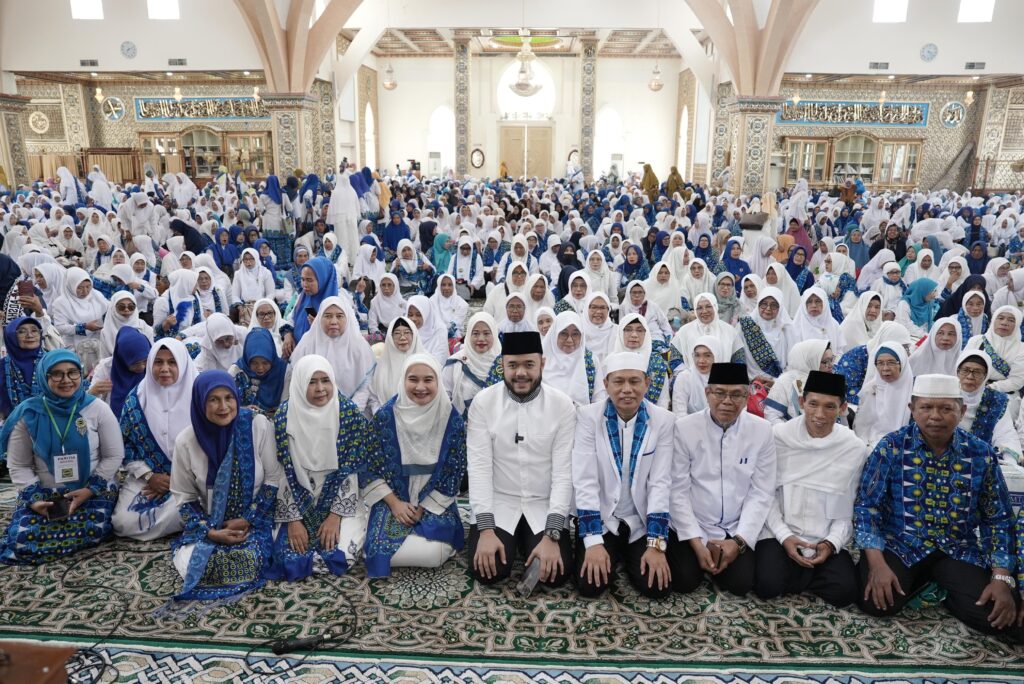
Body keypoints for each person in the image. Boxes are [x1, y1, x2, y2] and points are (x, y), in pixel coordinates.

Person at [854, 374, 1022, 643]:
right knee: (877, 604)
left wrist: (1002, 577)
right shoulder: (892, 447)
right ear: (912, 409)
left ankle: (947, 594)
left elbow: (998, 517)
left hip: (957, 549)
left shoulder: (979, 453)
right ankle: (925, 584)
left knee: (1007, 621)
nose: (935, 416)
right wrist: (876, 564)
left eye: (946, 408)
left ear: (962, 410)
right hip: (902, 544)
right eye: (926, 407)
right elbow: (867, 507)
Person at [467, 331, 576, 588]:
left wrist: (552, 537)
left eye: (529, 364)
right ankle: (514, 542)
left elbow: (563, 474)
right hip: (499, 501)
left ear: (542, 364)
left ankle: (529, 543)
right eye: (513, 365)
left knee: (556, 574)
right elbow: (479, 469)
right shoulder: (484, 403)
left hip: (543, 503)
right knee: (488, 572)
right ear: (502, 365)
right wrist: (485, 530)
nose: (521, 373)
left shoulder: (562, 406)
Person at [166, 371, 282, 611]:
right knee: (195, 565)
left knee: (251, 559)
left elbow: (272, 479)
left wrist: (248, 519)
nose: (223, 406)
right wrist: (210, 532)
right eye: (213, 399)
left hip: (256, 520)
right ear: (200, 402)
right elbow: (184, 498)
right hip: (210, 524)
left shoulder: (257, 425)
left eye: (229, 397)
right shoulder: (187, 441)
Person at [755, 371, 867, 607]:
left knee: (845, 593)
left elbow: (849, 507)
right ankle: (805, 573)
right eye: (813, 404)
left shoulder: (853, 447)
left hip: (823, 536)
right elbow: (765, 495)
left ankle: (801, 572)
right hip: (779, 533)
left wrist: (831, 543)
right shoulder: (778, 437)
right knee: (767, 585)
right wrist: (785, 537)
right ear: (801, 402)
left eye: (830, 407)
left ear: (843, 408)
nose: (819, 414)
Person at [0, 350, 123, 564]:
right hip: (45, 492)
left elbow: (114, 456)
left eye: (72, 373)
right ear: (43, 378)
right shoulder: (28, 413)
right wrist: (36, 500)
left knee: (94, 529)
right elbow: (19, 465)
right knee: (21, 539)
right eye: (56, 374)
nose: (66, 380)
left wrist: (90, 489)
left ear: (81, 374)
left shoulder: (97, 409)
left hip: (90, 489)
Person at [573, 351, 675, 598]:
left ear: (647, 383)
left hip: (639, 521)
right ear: (606, 384)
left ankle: (626, 553)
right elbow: (585, 480)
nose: (627, 389)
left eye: (634, 381)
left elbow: (660, 482)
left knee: (657, 588)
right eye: (618, 381)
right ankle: (609, 549)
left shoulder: (663, 420)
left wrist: (656, 544)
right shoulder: (588, 417)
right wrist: (594, 542)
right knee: (590, 586)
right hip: (603, 518)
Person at [670, 362, 777, 596]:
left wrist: (738, 542)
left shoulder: (762, 430)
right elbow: (677, 490)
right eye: (719, 393)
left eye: (736, 394)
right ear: (707, 393)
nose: (727, 401)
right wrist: (698, 543)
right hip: (695, 525)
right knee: (684, 580)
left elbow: (761, 492)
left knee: (740, 584)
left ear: (747, 395)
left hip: (734, 527)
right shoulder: (685, 428)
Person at [361, 354, 466, 577]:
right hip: (394, 497)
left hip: (434, 499)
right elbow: (368, 466)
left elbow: (454, 471)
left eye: (428, 380)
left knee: (433, 552)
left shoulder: (451, 418)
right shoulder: (385, 417)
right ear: (403, 380)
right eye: (413, 379)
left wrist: (425, 507)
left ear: (438, 381)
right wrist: (395, 504)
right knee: (378, 550)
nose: (420, 387)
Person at [266, 355, 367, 581]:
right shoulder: (284, 417)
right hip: (297, 495)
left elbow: (351, 468)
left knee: (342, 556)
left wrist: (335, 516)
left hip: (340, 494)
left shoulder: (348, 413)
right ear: (300, 383)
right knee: (284, 555)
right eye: (311, 382)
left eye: (325, 380)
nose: (320, 389)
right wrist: (292, 520)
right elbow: (282, 471)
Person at [112, 339, 196, 541]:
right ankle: (189, 520)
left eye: (172, 362)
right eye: (158, 362)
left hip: (194, 477)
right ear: (150, 364)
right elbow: (126, 445)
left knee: (202, 504)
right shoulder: (137, 398)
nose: (164, 369)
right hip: (148, 474)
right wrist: (150, 477)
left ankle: (187, 515)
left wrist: (179, 479)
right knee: (122, 521)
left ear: (183, 364)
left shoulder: (200, 393)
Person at [292, 296, 375, 412]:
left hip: (352, 411)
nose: (333, 321)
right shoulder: (308, 342)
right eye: (328, 316)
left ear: (347, 318)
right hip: (312, 409)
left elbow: (366, 383)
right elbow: (295, 377)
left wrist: (351, 410)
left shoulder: (358, 345)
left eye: (339, 316)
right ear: (319, 317)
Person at [955, 350, 1021, 462]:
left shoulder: (995, 400)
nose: (970, 376)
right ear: (957, 372)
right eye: (965, 370)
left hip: (981, 460)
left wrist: (1010, 459)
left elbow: (1005, 434)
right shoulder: (947, 395)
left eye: (977, 372)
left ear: (986, 376)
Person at [762, 339, 834, 425]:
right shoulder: (786, 381)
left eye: (832, 360)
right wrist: (793, 434)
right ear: (810, 361)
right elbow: (771, 416)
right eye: (825, 362)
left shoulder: (830, 380)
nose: (830, 365)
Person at [853, 344, 912, 448]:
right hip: (871, 443)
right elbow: (863, 427)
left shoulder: (914, 391)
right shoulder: (871, 388)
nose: (885, 368)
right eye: (880, 363)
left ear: (902, 363)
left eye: (891, 363)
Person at [443, 312, 500, 416]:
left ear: (495, 335)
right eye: (475, 333)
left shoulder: (504, 362)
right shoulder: (456, 362)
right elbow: (444, 396)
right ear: (468, 335)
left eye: (486, 333)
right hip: (463, 426)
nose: (481, 339)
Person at [737, 287, 794, 383]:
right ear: (758, 305)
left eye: (774, 305)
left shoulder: (786, 329)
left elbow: (792, 363)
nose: (768, 309)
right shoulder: (744, 326)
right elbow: (737, 358)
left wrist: (776, 382)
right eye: (764, 304)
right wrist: (751, 379)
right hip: (750, 383)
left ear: (780, 308)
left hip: (779, 384)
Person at [368, 316, 424, 413]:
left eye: (407, 333)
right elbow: (373, 397)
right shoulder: (382, 366)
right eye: (397, 333)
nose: (402, 337)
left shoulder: (426, 363)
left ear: (414, 335)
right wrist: (380, 414)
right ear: (390, 337)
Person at [230, 328, 289, 417]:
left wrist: (272, 414)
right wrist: (243, 409)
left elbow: (286, 405)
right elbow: (228, 402)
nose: (260, 368)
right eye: (254, 363)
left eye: (265, 363)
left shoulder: (284, 371)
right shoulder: (237, 370)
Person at [0, 317, 45, 419]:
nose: (30, 335)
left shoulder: (52, 362)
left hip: (50, 421)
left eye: (34, 331)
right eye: (21, 332)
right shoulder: (2, 366)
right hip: (12, 424)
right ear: (11, 336)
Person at [671, 336, 721, 419]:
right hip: (691, 427)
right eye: (697, 355)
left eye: (707, 355)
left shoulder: (726, 378)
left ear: (717, 356)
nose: (701, 361)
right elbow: (679, 414)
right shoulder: (684, 377)